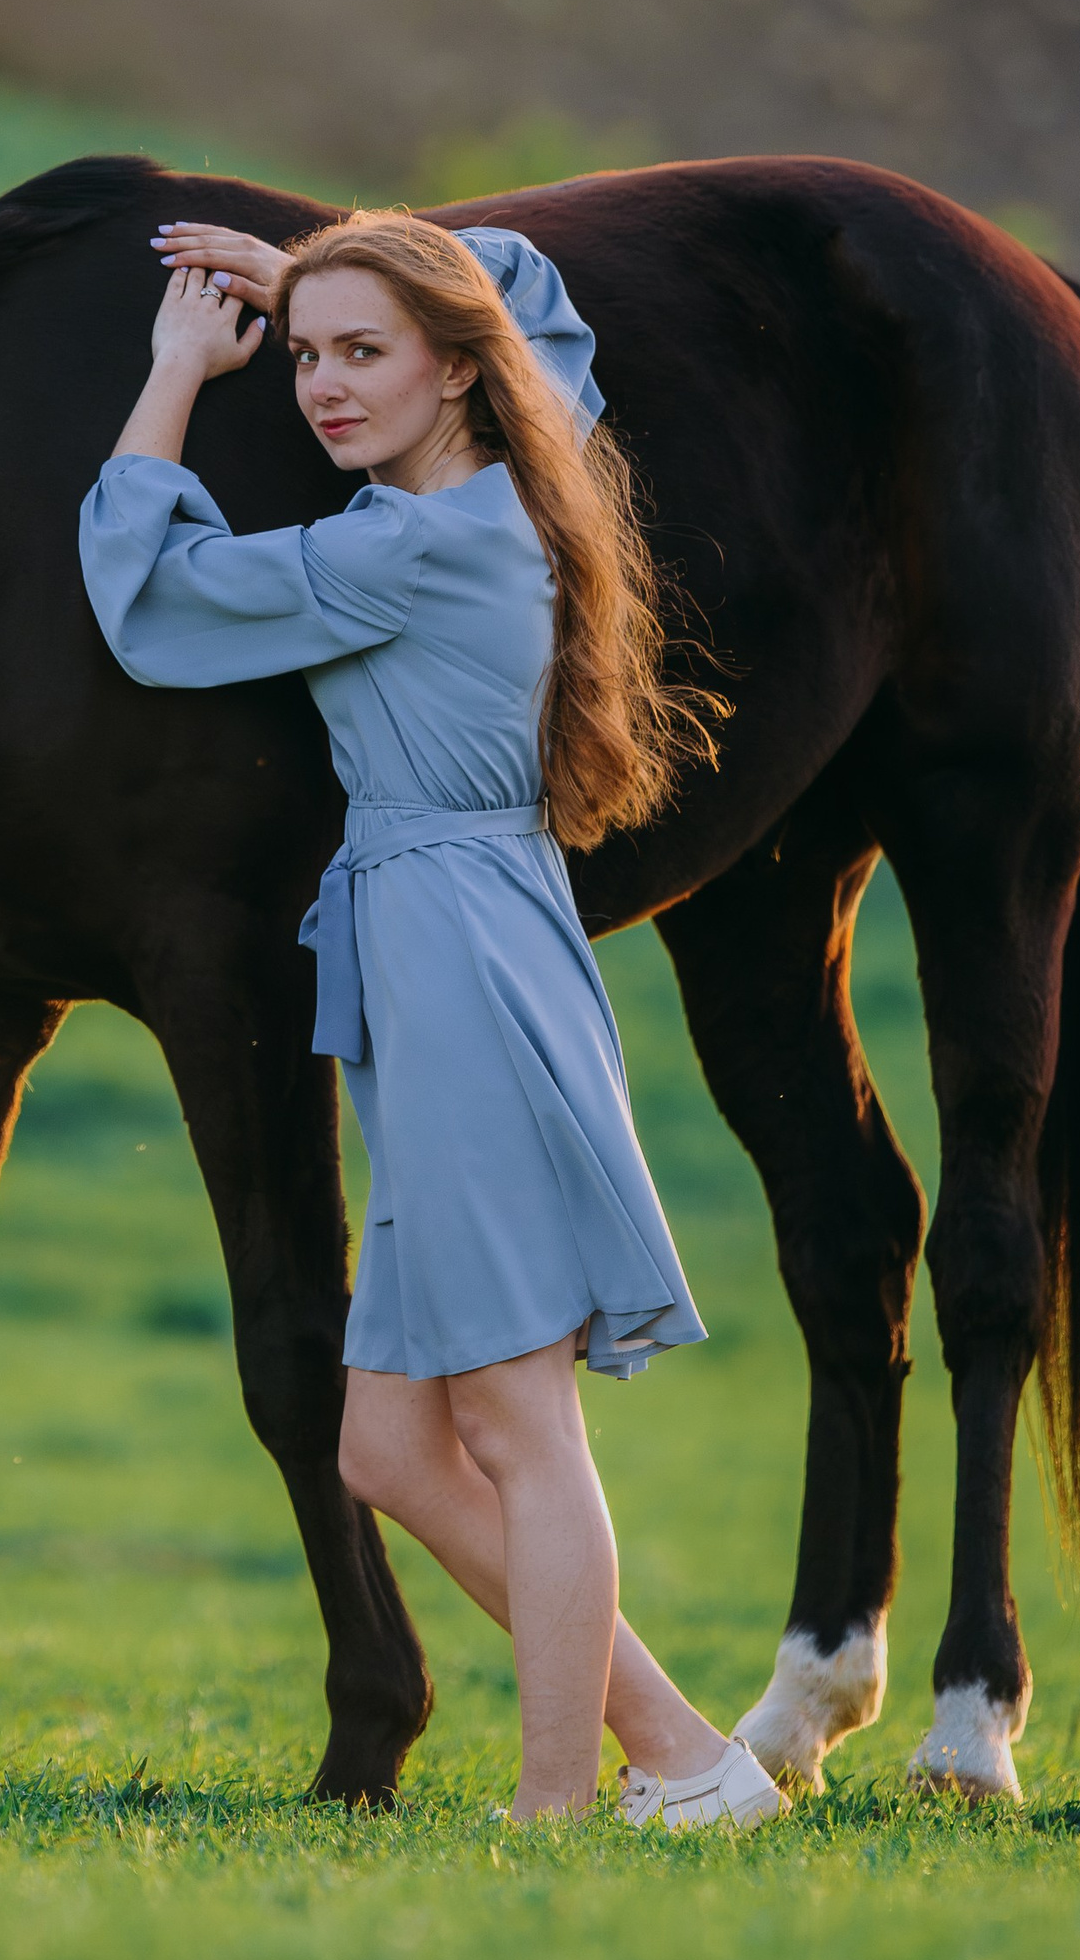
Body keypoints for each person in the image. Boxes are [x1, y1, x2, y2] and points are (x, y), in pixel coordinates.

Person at [77, 208, 783, 1830]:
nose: (320, 388)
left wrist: (186, 364)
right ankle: (685, 1758)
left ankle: (556, 1811)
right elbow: (542, 310)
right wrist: (323, 278)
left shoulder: (417, 544)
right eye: (306, 357)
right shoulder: (522, 470)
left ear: (459, 370)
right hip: (442, 949)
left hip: (464, 957)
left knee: (522, 1425)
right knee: (388, 1453)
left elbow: (148, 593)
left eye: (360, 355)